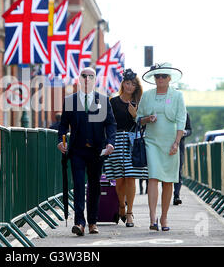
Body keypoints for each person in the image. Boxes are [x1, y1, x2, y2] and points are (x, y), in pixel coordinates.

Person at [57, 67, 117, 236]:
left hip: (97, 151)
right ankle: (79, 223)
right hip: (77, 150)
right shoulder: (70, 100)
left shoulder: (104, 101)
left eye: (91, 76)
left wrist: (110, 143)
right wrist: (60, 141)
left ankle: (92, 222)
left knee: (94, 186)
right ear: (79, 78)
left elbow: (111, 125)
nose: (87, 79)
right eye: (84, 76)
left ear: (95, 80)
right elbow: (63, 126)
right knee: (78, 185)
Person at [137, 62, 187, 231]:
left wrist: (177, 142)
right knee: (153, 177)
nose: (160, 79)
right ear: (154, 78)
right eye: (157, 76)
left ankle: (164, 217)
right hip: (152, 141)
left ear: (169, 78)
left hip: (170, 142)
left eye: (163, 76)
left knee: (168, 181)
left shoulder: (177, 95)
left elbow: (181, 120)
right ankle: (153, 218)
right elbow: (138, 118)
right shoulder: (147, 95)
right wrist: (147, 119)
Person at [104, 68, 148, 227]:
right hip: (116, 141)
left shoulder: (139, 103)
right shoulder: (112, 102)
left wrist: (135, 115)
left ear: (136, 87)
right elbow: (107, 123)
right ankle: (122, 206)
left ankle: (129, 214)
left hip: (132, 142)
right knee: (119, 179)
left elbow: (143, 124)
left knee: (131, 177)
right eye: (127, 83)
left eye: (133, 84)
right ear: (123, 84)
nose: (130, 87)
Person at [173, 112, 192, 205]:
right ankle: (165, 195)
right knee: (165, 171)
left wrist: (185, 132)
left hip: (180, 146)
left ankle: (176, 195)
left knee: (178, 171)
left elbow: (190, 130)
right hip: (166, 145)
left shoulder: (184, 113)